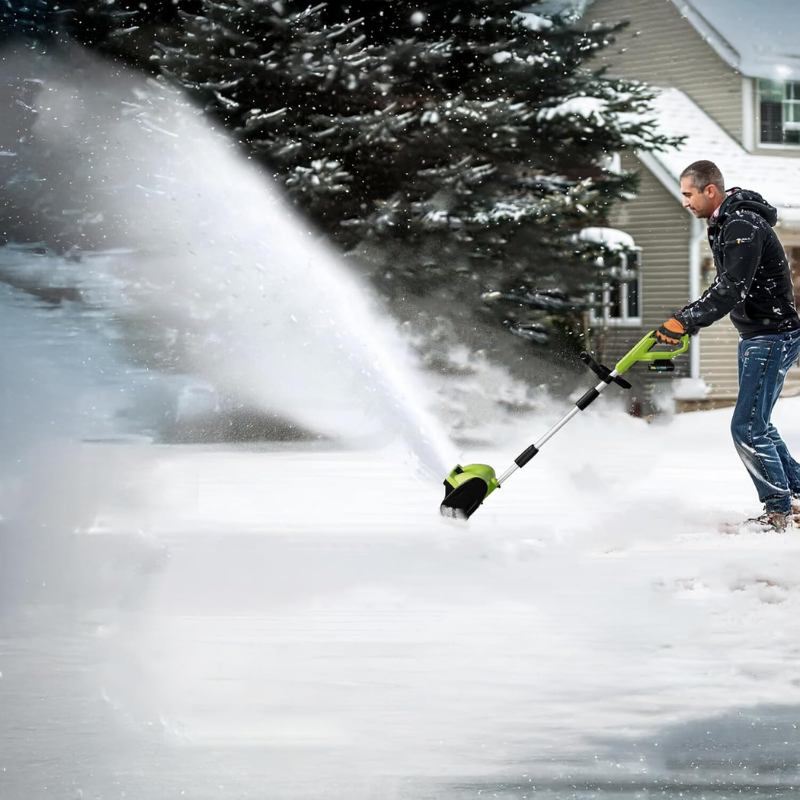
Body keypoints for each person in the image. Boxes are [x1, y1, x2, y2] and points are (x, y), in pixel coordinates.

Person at [655, 160, 800, 532]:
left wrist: (685, 321)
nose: (684, 201)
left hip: (771, 334)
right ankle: (794, 494)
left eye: (688, 193)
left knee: (747, 427)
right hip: (758, 334)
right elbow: (727, 287)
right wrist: (686, 318)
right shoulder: (724, 223)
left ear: (709, 190)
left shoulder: (741, 224)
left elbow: (732, 287)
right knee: (759, 425)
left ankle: (778, 512)